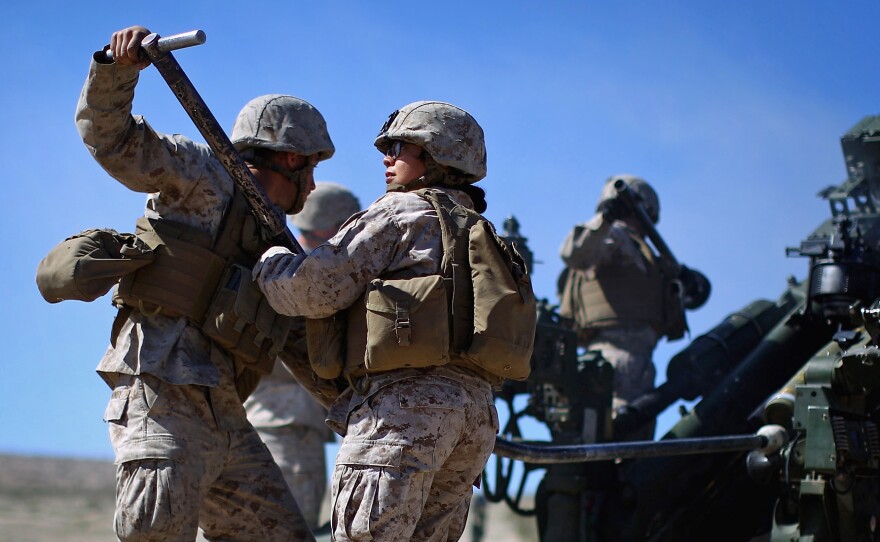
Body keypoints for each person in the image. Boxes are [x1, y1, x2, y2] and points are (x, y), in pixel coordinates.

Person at [75, 25, 334, 541]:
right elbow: (112, 140)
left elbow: (309, 353)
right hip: (162, 396)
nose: (312, 184)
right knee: (156, 532)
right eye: (311, 168)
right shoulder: (198, 173)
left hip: (225, 417)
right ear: (289, 158)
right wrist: (115, 72)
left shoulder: (277, 245)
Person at [253, 101, 503, 541]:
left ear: (436, 155)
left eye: (401, 147)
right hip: (473, 421)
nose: (387, 158)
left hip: (402, 413)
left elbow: (312, 290)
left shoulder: (398, 214)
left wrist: (270, 259)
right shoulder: (486, 235)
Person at [244, 181, 361, 530]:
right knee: (285, 529)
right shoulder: (295, 275)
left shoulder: (280, 266)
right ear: (333, 228)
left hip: (286, 424)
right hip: (284, 427)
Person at [559, 175, 692, 441]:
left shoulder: (648, 254)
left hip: (639, 364)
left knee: (632, 446)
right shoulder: (614, 236)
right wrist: (605, 220)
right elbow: (574, 253)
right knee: (613, 439)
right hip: (611, 363)